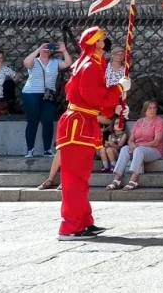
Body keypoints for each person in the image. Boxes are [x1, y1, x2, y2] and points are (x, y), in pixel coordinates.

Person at [57, 26, 129, 240]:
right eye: (102, 37)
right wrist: (118, 90)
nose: (105, 40)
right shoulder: (89, 65)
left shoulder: (93, 63)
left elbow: (96, 101)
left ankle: (83, 222)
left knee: (81, 178)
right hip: (78, 124)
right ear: (95, 42)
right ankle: (70, 227)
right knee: (74, 179)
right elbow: (93, 96)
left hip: (85, 121)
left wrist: (114, 108)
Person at [21, 40, 72, 158]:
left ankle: (47, 149)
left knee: (48, 120)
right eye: (44, 47)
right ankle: (30, 150)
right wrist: (39, 49)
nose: (46, 49)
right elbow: (26, 63)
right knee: (32, 121)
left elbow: (68, 64)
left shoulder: (55, 62)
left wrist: (64, 50)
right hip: (31, 93)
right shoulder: (34, 61)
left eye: (49, 48)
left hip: (49, 94)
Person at [106, 100, 163, 190]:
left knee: (139, 150)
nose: (153, 110)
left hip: (154, 150)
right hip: (138, 148)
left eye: (154, 108)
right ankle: (117, 180)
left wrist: (140, 145)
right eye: (150, 108)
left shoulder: (159, 121)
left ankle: (133, 180)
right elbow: (130, 140)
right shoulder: (139, 122)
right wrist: (132, 144)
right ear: (145, 110)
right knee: (125, 148)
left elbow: (156, 141)